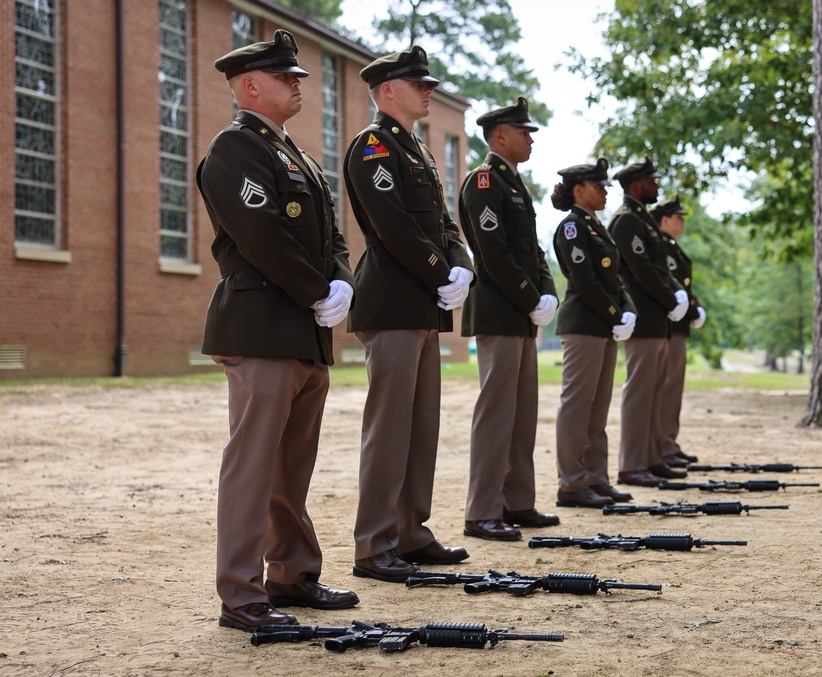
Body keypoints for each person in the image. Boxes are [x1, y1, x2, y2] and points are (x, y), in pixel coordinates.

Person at [198, 29, 359, 632]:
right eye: (286, 77)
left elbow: (333, 237)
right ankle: (241, 596)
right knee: (254, 464)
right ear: (250, 86)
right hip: (263, 325)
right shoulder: (235, 149)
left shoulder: (303, 158)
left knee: (292, 465)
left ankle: (292, 574)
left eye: (298, 77)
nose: (299, 85)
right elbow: (262, 234)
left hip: (302, 330)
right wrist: (319, 289)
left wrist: (342, 279)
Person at [343, 46, 474, 582]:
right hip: (394, 300)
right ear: (387, 90)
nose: (428, 92)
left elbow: (442, 221)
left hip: (422, 302)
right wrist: (440, 269)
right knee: (390, 429)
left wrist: (461, 261)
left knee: (421, 429)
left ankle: (411, 534)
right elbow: (392, 225)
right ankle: (373, 546)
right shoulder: (372, 147)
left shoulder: (418, 151)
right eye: (418, 85)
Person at [458, 97, 561, 541]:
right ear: (500, 136)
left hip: (520, 314)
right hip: (501, 311)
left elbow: (532, 250)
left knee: (522, 413)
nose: (531, 138)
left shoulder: (516, 185)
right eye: (524, 132)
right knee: (496, 414)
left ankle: (516, 502)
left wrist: (548, 290)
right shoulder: (484, 181)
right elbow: (492, 251)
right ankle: (482, 511)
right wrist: (528, 296)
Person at [550, 159, 638, 508]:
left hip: (603, 324)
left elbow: (615, 280)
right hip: (584, 324)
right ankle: (571, 484)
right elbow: (584, 280)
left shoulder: (597, 227)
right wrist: (617, 313)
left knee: (597, 407)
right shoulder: (572, 228)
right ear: (578, 189)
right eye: (598, 185)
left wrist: (627, 309)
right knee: (577, 406)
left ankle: (595, 478)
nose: (605, 191)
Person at [608, 157, 690, 488]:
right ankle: (632, 464)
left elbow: (660, 270)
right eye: (651, 182)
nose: (657, 186)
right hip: (642, 314)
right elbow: (641, 270)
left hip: (656, 316)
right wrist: (672, 298)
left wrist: (673, 297)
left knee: (655, 393)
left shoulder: (643, 221)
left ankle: (651, 458)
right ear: (635, 185)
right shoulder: (626, 221)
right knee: (640, 393)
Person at [651, 196, 706, 466]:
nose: (682, 222)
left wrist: (695, 308)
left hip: (678, 324)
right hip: (669, 324)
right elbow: (670, 284)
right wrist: (691, 308)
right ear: (665, 220)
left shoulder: (671, 246)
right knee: (667, 387)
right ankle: (662, 445)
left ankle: (668, 442)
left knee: (673, 388)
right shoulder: (661, 245)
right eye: (678, 217)